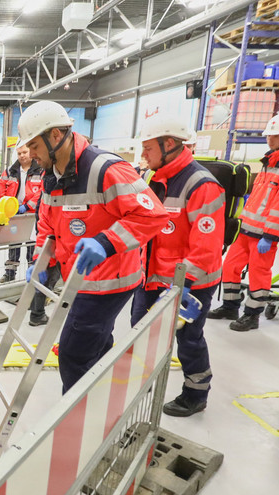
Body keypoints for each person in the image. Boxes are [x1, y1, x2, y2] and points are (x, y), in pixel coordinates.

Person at [18, 101, 168, 393]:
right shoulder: (53, 176)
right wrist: (40, 261)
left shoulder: (106, 169)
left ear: (56, 136)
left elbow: (153, 215)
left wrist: (106, 242)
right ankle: (102, 399)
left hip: (107, 283)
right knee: (96, 345)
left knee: (73, 355)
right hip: (78, 279)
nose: (31, 155)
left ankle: (78, 424)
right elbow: (47, 225)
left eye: (34, 146)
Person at [131, 114, 224, 417]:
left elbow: (206, 247)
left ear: (168, 144)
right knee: (140, 333)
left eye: (148, 149)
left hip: (189, 284)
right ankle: (139, 388)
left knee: (188, 338)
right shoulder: (153, 180)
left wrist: (183, 288)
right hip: (152, 278)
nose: (143, 156)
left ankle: (196, 393)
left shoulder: (202, 185)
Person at [208, 113, 279, 331]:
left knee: (258, 274)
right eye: (268, 135)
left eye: (275, 136)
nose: (269, 139)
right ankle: (230, 306)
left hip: (265, 234)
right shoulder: (270, 159)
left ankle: (252, 315)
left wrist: (270, 235)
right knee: (230, 266)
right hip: (246, 229)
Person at [0, 143, 42, 283]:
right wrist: (6, 207)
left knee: (31, 244)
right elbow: (2, 192)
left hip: (31, 215)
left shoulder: (40, 170)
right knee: (14, 244)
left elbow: (42, 192)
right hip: (14, 214)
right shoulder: (10, 171)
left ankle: (31, 274)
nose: (22, 155)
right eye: (19, 153)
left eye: (25, 152)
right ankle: (10, 273)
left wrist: (27, 206)